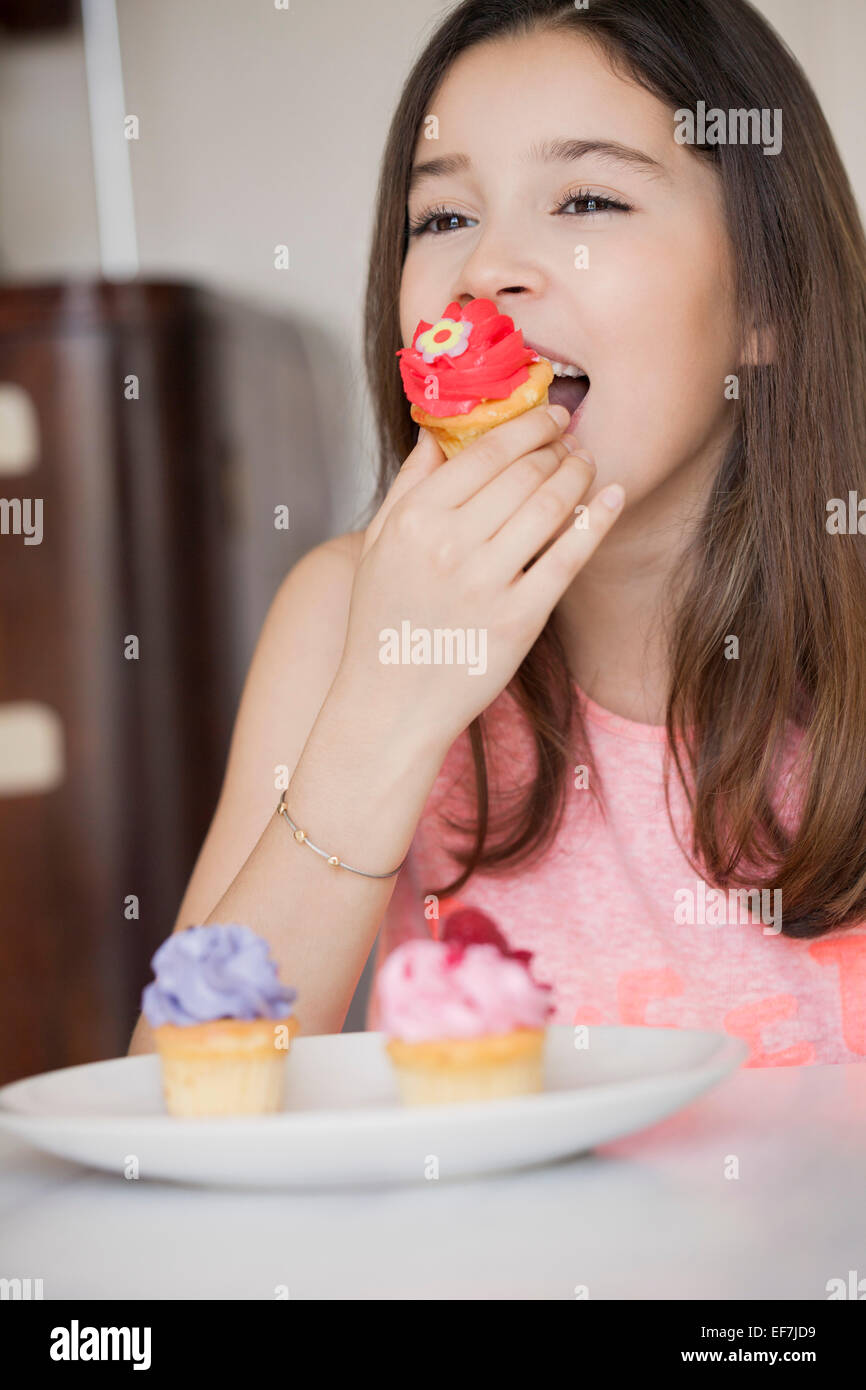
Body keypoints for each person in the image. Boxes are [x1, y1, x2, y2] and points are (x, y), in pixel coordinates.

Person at [129, 0, 866, 1067]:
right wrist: (383, 709)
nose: (484, 273)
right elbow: (174, 1101)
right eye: (441, 219)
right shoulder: (343, 613)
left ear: (765, 297)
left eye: (585, 198)